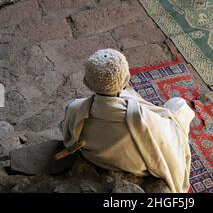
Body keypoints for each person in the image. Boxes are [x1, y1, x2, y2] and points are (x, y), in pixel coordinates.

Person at [61, 49, 195, 193]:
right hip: (137, 168)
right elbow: (169, 143)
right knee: (179, 104)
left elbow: (66, 133)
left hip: (96, 159)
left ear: (87, 83)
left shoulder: (74, 109)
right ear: (126, 81)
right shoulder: (146, 121)